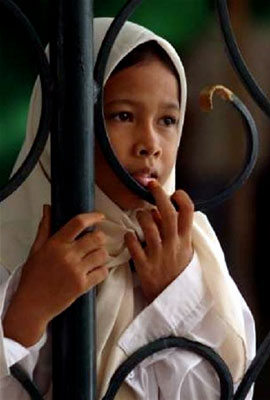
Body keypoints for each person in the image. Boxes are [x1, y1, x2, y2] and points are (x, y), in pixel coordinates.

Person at [0, 18, 255, 399]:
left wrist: (176, 293)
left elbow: (228, 387)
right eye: (122, 116)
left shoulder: (191, 253)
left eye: (168, 120)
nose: (150, 143)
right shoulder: (13, 244)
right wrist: (27, 315)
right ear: (60, 124)